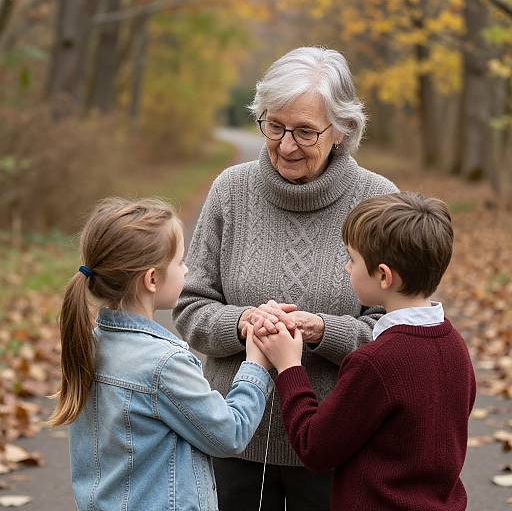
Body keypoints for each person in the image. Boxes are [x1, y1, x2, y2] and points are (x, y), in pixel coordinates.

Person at [173, 46, 398, 510]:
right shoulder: (231, 190)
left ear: (342, 130)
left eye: (304, 131)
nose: (286, 145)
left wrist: (322, 331)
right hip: (232, 441)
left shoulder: (378, 202)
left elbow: (395, 334)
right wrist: (244, 325)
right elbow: (190, 308)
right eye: (274, 126)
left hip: (337, 446)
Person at [251, 191, 476, 511]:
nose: (346, 268)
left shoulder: (375, 362)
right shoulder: (454, 345)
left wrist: (289, 366)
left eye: (352, 259)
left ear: (383, 275)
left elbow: (314, 446)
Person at [49, 197, 274, 511]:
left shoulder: (90, 343)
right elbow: (230, 433)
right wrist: (256, 364)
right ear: (152, 279)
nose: (187, 270)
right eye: (181, 262)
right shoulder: (164, 364)